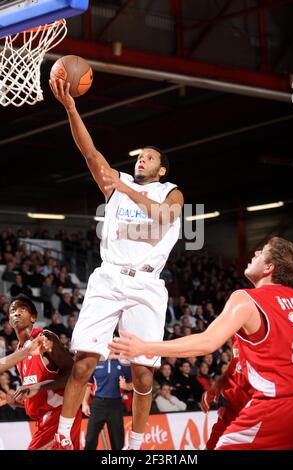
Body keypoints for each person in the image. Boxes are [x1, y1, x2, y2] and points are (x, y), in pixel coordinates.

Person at [49, 78, 184, 450]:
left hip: (145, 285)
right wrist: (72, 109)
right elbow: (90, 152)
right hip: (108, 279)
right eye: (140, 154)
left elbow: (163, 218)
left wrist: (126, 189)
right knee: (82, 365)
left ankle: (136, 443)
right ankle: (63, 438)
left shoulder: (169, 192)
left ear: (161, 171)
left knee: (142, 375)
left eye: (150, 158)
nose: (142, 158)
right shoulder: (116, 182)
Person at [109, 237, 293, 450]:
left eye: (261, 252)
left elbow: (207, 342)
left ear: (269, 267)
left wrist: (144, 347)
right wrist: (223, 381)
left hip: (275, 406)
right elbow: (266, 356)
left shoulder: (247, 299)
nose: (254, 254)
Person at [2, 294, 82, 450]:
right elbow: (39, 394)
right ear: (9, 320)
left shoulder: (44, 338)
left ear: (33, 317)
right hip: (45, 420)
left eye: (22, 309)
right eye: (12, 311)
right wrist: (18, 402)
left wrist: (38, 387)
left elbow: (74, 374)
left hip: (60, 415)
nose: (16, 313)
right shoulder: (20, 352)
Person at [200, 337, 254, 450]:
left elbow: (208, 340)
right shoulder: (238, 333)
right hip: (232, 406)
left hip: (254, 410)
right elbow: (236, 362)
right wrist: (218, 384)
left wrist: (155, 348)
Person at [82, 359, 132, 450]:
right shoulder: (95, 362)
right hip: (98, 404)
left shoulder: (123, 364)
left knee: (118, 441)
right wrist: (84, 403)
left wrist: (126, 386)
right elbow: (88, 385)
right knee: (90, 439)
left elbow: (134, 384)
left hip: (115, 404)